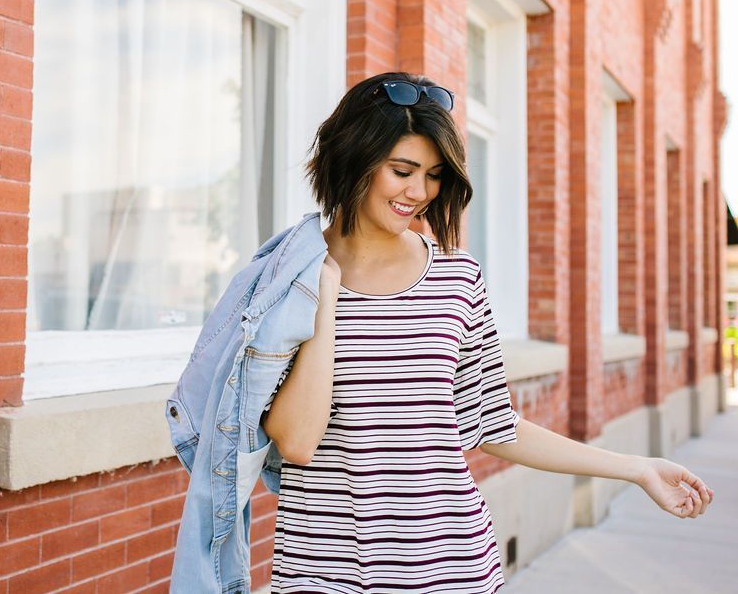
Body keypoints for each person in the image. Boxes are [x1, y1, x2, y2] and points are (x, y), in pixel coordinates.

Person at [260, 71, 715, 592]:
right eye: (402, 170)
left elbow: (496, 427)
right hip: (326, 572)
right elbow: (296, 441)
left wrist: (635, 468)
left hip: (452, 568)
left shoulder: (458, 279)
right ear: (355, 159)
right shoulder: (286, 276)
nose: (418, 192)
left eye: (433, 175)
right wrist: (324, 296)